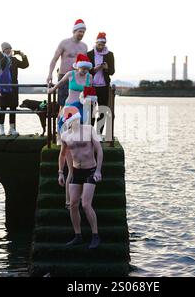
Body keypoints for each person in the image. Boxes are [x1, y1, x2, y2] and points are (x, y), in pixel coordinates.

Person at [48, 54, 96, 209]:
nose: (83, 71)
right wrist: (52, 89)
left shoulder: (89, 77)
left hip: (83, 111)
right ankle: (69, 201)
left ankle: (82, 198)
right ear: (77, 66)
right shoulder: (70, 74)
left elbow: (91, 95)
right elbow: (59, 84)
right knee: (70, 164)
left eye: (86, 69)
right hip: (69, 111)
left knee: (82, 148)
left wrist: (93, 108)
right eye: (81, 68)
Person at [58, 106, 103, 249]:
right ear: (68, 121)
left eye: (77, 119)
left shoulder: (89, 129)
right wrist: (60, 172)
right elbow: (63, 155)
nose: (76, 122)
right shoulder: (65, 135)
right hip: (77, 171)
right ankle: (78, 236)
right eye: (73, 120)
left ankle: (95, 236)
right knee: (73, 204)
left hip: (91, 170)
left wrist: (98, 171)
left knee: (85, 204)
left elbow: (99, 150)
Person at [47, 19, 88, 109]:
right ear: (74, 31)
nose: (81, 33)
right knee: (63, 104)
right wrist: (50, 74)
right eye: (80, 31)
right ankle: (61, 123)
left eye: (83, 32)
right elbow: (54, 59)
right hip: (64, 76)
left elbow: (85, 64)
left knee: (77, 104)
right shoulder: (64, 43)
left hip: (77, 77)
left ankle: (75, 123)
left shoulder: (84, 46)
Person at [0, 42, 29, 136]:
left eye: (10, 48)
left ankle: (12, 128)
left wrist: (23, 55)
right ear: (3, 50)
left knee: (13, 107)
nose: (8, 50)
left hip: (13, 86)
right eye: (6, 49)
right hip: (2, 87)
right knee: (3, 107)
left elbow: (25, 65)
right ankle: (1, 128)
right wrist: (6, 56)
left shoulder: (14, 59)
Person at [87, 32, 115, 135]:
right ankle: (90, 134)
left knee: (102, 111)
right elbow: (85, 71)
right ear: (96, 43)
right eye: (99, 44)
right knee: (91, 112)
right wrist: (95, 69)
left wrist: (107, 68)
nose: (101, 46)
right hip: (91, 86)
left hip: (104, 87)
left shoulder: (109, 54)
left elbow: (112, 72)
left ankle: (98, 134)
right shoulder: (89, 54)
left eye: (103, 44)